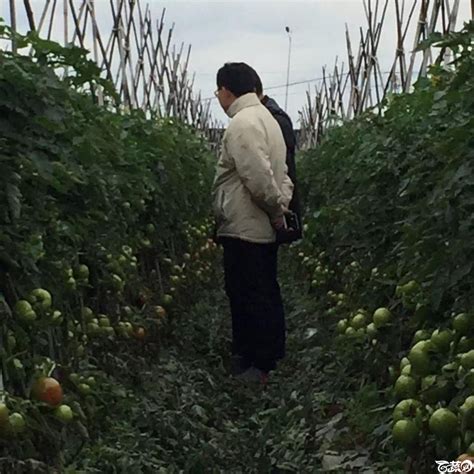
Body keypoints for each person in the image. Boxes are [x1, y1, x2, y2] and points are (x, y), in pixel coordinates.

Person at [212, 62, 294, 384]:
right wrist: (281, 204)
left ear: (227, 91)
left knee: (248, 294)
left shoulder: (243, 123)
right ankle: (269, 356)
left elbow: (257, 177)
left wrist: (274, 208)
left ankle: (257, 365)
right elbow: (282, 174)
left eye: (218, 91)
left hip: (245, 226)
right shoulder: (268, 120)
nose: (218, 97)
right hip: (258, 226)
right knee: (263, 290)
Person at [254, 74, 302, 242]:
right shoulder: (274, 117)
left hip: (278, 208)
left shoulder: (273, 120)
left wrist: (279, 209)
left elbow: (282, 169)